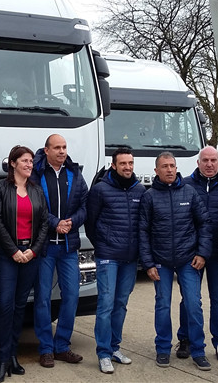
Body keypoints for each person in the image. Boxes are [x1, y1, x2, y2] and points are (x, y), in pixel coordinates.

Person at [138, 151, 212, 371]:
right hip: (160, 261)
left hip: (188, 260)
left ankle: (198, 350)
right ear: (156, 170)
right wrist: (148, 263)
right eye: (165, 166)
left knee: (193, 304)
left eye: (172, 165)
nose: (169, 169)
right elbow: (143, 232)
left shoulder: (189, 192)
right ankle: (162, 349)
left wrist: (202, 253)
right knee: (162, 305)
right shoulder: (149, 196)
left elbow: (204, 225)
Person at [0, 145, 49, 383]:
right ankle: (3, 360)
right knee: (5, 306)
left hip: (30, 256)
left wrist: (33, 251)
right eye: (24, 161)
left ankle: (14, 355)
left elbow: (44, 222)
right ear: (12, 163)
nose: (29, 165)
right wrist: (13, 250)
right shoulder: (0, 188)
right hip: (7, 255)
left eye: (31, 161)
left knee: (20, 305)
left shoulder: (36, 189)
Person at [85, 148, 146, 374]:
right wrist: (103, 245)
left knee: (120, 304)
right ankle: (103, 353)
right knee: (106, 305)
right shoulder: (100, 190)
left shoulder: (140, 190)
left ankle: (114, 348)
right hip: (108, 257)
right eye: (123, 164)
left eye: (130, 163)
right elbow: (91, 223)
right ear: (114, 165)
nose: (128, 167)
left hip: (130, 259)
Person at [175, 146, 218, 361]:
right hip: (192, 254)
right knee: (190, 299)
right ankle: (186, 340)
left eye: (213, 160)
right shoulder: (185, 185)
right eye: (205, 160)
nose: (209, 164)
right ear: (198, 163)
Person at [31, 134, 88, 368]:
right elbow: (35, 204)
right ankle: (46, 348)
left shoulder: (74, 173)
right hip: (45, 247)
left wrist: (72, 222)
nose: (62, 151)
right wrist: (55, 222)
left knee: (72, 296)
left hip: (68, 246)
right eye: (57, 148)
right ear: (46, 150)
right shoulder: (37, 173)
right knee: (42, 299)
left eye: (64, 147)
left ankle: (62, 346)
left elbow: (86, 203)